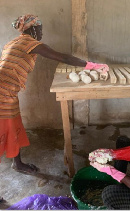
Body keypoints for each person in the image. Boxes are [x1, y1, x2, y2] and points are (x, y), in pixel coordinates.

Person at [0, 14, 109, 177]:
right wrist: (92, 66)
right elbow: (63, 57)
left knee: (13, 126)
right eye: (40, 29)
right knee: (2, 131)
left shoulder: (13, 42)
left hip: (8, 92)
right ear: (33, 29)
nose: (42, 33)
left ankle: (17, 163)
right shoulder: (28, 42)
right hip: (2, 94)